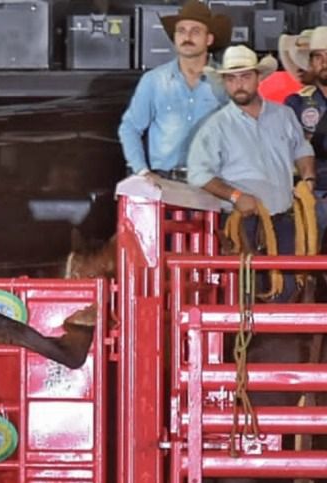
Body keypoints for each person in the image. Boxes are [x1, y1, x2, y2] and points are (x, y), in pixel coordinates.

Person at [188, 45, 314, 300]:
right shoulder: (216, 127)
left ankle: (276, 337)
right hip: (243, 221)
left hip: (283, 217)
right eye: (232, 79)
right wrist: (235, 195)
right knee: (246, 290)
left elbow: (302, 149)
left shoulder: (284, 115)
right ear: (224, 83)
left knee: (288, 287)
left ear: (258, 78)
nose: (239, 85)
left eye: (245, 76)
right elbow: (198, 173)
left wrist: (308, 178)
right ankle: (254, 338)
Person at [118, 0, 230, 181]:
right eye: (181, 31)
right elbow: (129, 128)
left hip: (213, 183)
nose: (187, 37)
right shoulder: (154, 81)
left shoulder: (224, 81)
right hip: (165, 181)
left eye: (195, 31)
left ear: (209, 39)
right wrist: (142, 171)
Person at [283, 27, 327, 230]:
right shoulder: (297, 103)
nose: (324, 61)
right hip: (312, 192)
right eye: (318, 56)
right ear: (311, 63)